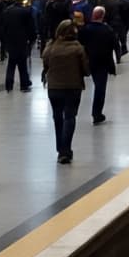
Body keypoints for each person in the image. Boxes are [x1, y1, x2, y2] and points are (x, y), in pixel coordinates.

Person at [41, 20, 87, 164]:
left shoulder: (50, 47)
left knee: (57, 117)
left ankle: (59, 147)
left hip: (54, 88)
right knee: (70, 117)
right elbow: (86, 70)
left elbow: (45, 63)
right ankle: (65, 150)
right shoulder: (78, 48)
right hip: (73, 87)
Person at [79, 7, 118, 124]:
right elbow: (115, 45)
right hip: (102, 63)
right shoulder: (108, 30)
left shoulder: (85, 29)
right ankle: (97, 114)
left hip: (86, 61)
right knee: (100, 89)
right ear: (102, 16)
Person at [0, 0, 36, 93]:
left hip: (10, 41)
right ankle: (24, 84)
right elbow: (31, 27)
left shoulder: (6, 11)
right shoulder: (25, 12)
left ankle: (8, 85)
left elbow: (3, 26)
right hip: (22, 40)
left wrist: (4, 39)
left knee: (11, 64)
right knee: (22, 64)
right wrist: (32, 38)